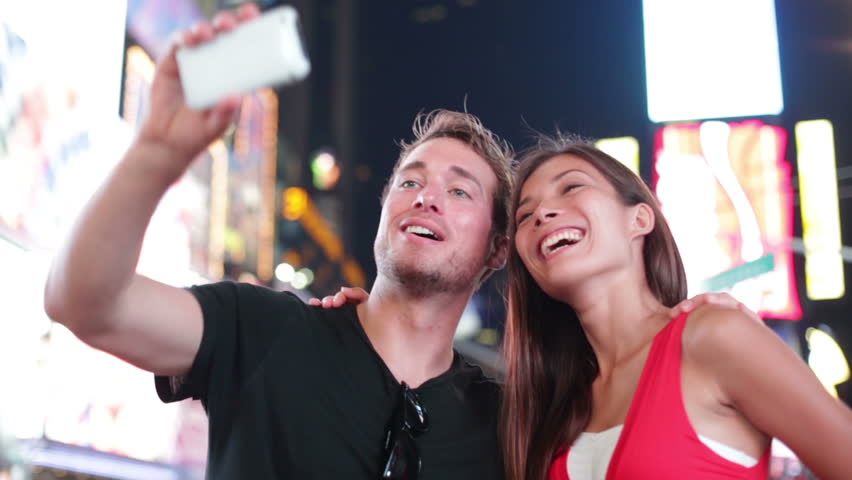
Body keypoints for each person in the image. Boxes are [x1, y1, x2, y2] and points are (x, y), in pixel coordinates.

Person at [42, 4, 515, 479]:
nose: (427, 198)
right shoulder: (263, 329)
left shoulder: (506, 426)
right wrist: (155, 153)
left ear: (498, 248)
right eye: (410, 183)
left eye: (459, 192)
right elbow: (85, 305)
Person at [499, 134, 852, 480]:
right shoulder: (550, 404)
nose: (542, 213)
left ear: (639, 219)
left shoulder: (714, 336)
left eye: (572, 187)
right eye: (525, 215)